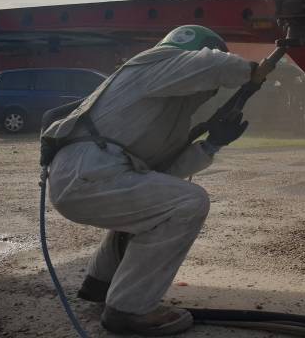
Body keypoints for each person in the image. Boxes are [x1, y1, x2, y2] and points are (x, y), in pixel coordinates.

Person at [44, 25, 269, 336]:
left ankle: (101, 283)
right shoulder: (152, 63)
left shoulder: (162, 109)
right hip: (88, 171)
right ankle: (129, 310)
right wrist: (249, 72)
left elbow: (164, 173)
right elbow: (212, 64)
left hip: (87, 174)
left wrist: (212, 144)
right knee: (190, 203)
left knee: (156, 205)